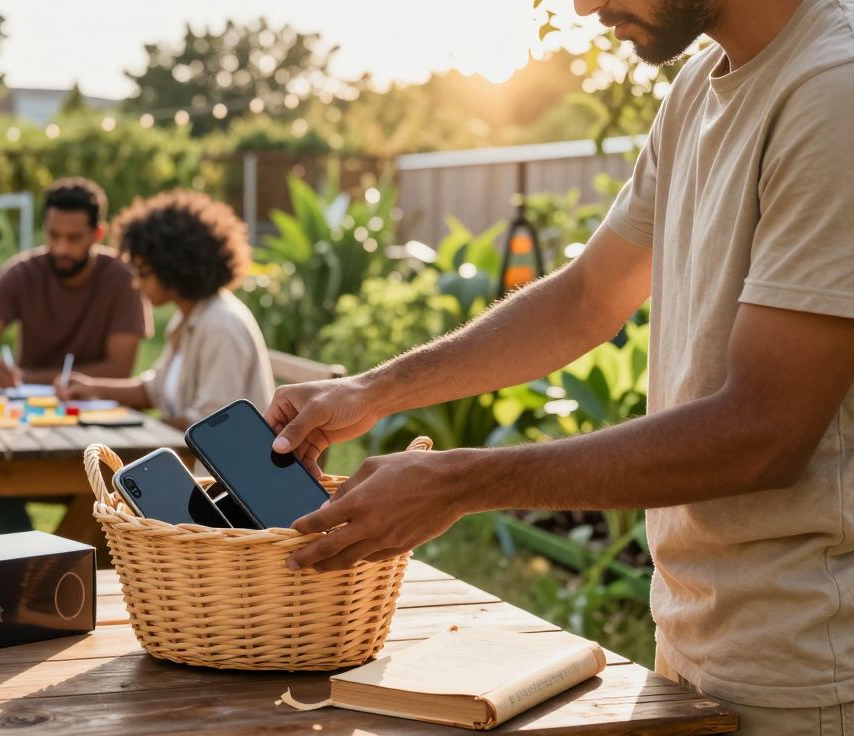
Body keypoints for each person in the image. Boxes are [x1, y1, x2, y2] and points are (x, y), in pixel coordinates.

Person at [267, 0, 854, 732]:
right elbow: (585, 298)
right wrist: (372, 390)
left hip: (811, 669)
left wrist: (459, 483)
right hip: (697, 635)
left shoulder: (833, 91)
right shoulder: (698, 86)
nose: (583, 6)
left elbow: (764, 433)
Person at [0, 177, 150, 532]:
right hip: (28, 426)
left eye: (73, 238)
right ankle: (29, 556)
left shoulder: (123, 278)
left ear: (98, 234)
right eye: (53, 235)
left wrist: (29, 378)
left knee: (110, 490)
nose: (61, 247)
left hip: (97, 434)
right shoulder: (21, 272)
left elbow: (119, 368)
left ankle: (50, 560)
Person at [56, 190, 274, 430]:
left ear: (174, 268)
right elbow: (154, 390)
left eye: (144, 274)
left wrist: (137, 427)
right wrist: (91, 388)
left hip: (213, 455)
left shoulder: (220, 325)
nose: (136, 284)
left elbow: (211, 425)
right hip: (185, 450)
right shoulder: (189, 317)